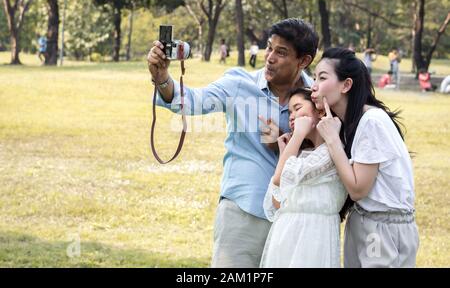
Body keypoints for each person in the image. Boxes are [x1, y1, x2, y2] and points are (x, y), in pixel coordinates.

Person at [147, 18, 319, 267]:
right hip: (243, 212)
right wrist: (162, 78)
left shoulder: (317, 96)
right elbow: (191, 101)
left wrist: (287, 139)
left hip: (296, 218)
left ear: (304, 61)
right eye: (269, 48)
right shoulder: (239, 84)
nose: (270, 57)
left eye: (281, 53)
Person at [312, 47, 419, 268]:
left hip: (382, 229)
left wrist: (332, 140)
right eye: (314, 77)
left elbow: (358, 189)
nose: (314, 85)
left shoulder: (371, 121)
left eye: (322, 78)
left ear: (346, 85)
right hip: (363, 222)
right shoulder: (347, 123)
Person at [260, 88, 347, 268]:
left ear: (319, 110)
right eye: (290, 112)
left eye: (298, 108)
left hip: (311, 240)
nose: (292, 116)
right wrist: (287, 150)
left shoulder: (330, 153)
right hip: (285, 238)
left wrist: (297, 136)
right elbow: (276, 202)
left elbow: (280, 179)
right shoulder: (302, 155)